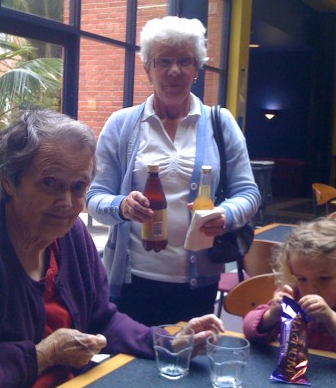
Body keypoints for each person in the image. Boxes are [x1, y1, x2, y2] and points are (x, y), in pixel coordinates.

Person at [0, 108, 225, 388]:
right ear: (9, 180)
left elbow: (102, 320)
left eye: (79, 186)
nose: (67, 203)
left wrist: (167, 341)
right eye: (49, 183)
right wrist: (45, 354)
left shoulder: (72, 235)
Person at [86, 16, 260, 326]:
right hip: (132, 280)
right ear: (147, 68)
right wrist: (122, 206)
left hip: (198, 283)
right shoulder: (121, 124)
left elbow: (248, 193)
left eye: (184, 60)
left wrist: (226, 215)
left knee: (192, 353)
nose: (175, 70)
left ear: (197, 68)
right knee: (131, 354)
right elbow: (94, 198)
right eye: (164, 61)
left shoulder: (220, 123)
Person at [243, 218, 336, 369]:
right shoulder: (293, 295)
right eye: (302, 279)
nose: (312, 289)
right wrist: (272, 314)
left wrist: (331, 318)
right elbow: (248, 328)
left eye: (324, 279)